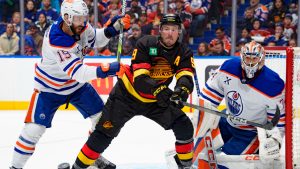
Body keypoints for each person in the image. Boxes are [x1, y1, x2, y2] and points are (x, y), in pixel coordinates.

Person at [64, 13, 196, 169]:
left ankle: (185, 166)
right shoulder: (145, 44)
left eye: (174, 29)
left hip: (155, 101)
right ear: (160, 30)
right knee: (103, 134)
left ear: (179, 31)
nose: (170, 33)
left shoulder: (184, 52)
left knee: (184, 126)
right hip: (126, 96)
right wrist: (160, 90)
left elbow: (185, 76)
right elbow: (140, 80)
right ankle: (77, 168)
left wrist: (181, 91)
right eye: (166, 29)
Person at [9, 0, 130, 168]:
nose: (83, 22)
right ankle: (15, 167)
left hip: (75, 87)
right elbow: (79, 73)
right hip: (49, 89)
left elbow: (96, 39)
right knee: (33, 131)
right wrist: (107, 69)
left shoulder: (80, 26)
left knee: (102, 120)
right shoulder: (57, 38)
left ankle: (92, 156)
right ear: (67, 17)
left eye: (84, 17)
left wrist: (114, 28)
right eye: (79, 18)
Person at [193, 41, 285, 168]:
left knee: (226, 163)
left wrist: (275, 141)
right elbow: (209, 97)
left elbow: (278, 122)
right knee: (197, 154)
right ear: (242, 56)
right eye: (248, 57)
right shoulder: (228, 68)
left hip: (251, 133)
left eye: (254, 58)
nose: (251, 62)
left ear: (262, 59)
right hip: (227, 121)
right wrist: (202, 115)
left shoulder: (273, 84)